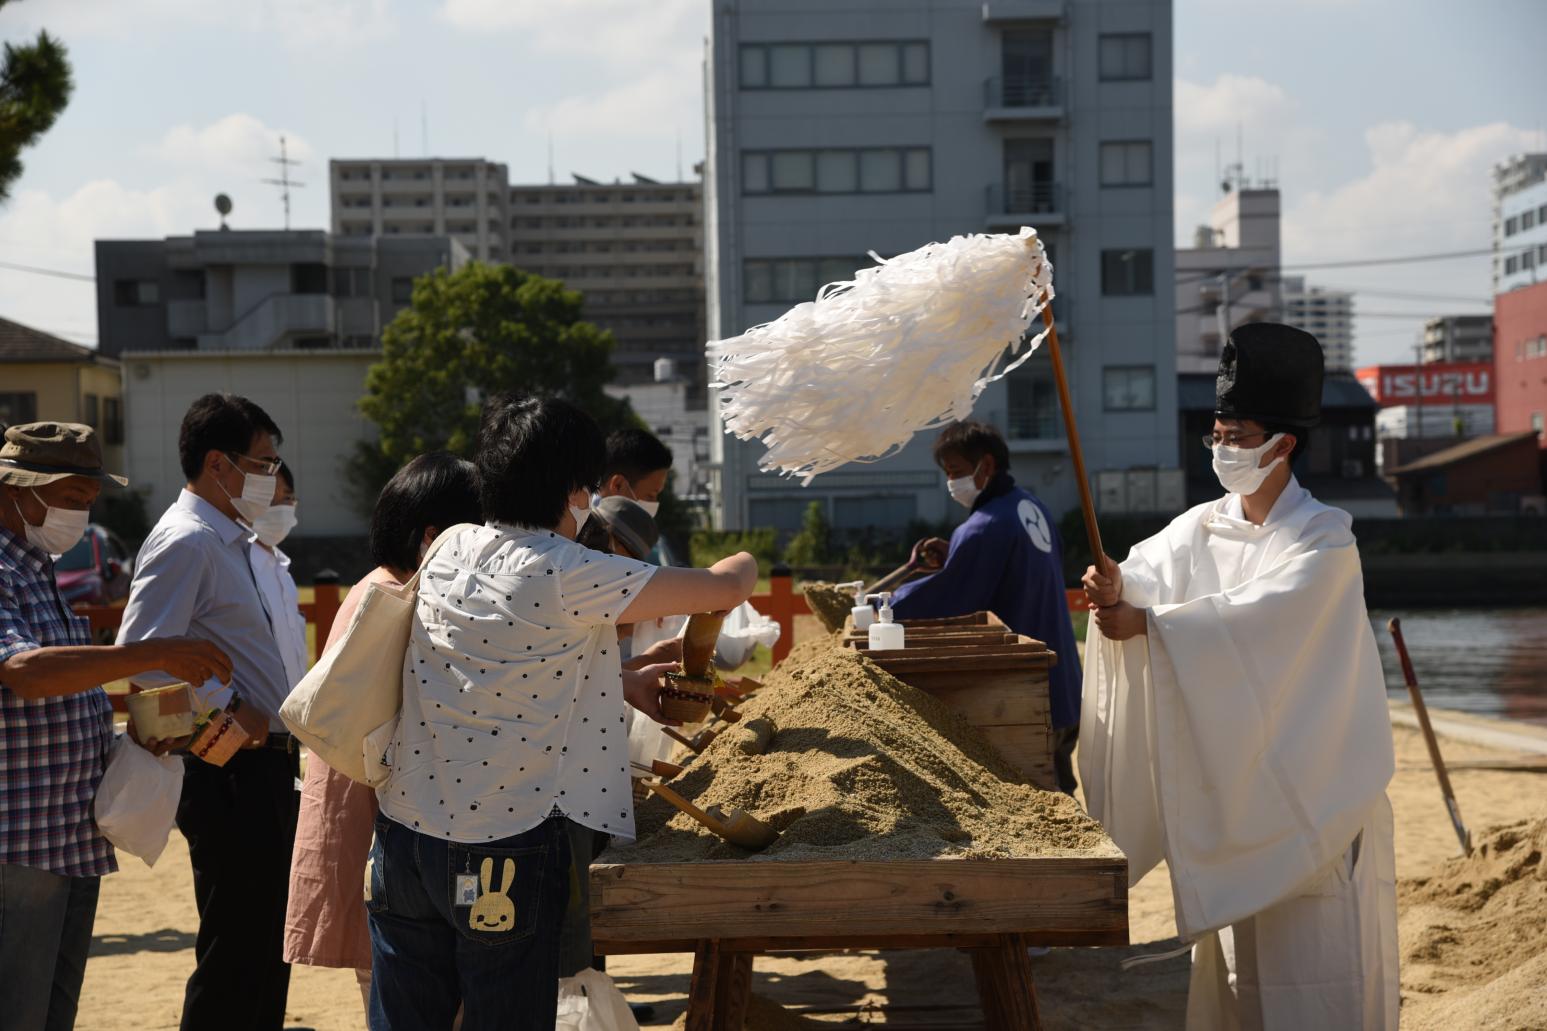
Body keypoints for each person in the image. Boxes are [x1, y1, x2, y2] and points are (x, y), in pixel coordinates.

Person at [367, 394, 757, 1031]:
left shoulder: (452, 545)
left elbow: (504, 668)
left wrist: (619, 679)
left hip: (404, 838)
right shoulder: (569, 569)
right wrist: (744, 563)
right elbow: (726, 586)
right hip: (500, 843)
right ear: (576, 490)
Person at [1079, 323, 1398, 1029]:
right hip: (1235, 798)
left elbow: (1262, 624)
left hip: (1314, 793)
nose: (1223, 447)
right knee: (1238, 976)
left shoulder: (1323, 540)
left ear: (1282, 442)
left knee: (1321, 976)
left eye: (1238, 433)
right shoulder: (1200, 526)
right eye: (1216, 434)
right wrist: (1114, 586)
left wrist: (1151, 626)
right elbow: (1145, 576)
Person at [0, 422, 232, 1031]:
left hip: (66, 834)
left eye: (87, 503)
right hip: (19, 842)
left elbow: (54, 696)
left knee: (52, 1012)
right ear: (19, 490)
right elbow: (23, 672)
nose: (80, 515)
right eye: (71, 500)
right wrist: (150, 655)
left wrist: (130, 739)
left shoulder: (36, 569)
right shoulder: (3, 570)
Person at [117, 393, 298, 1031]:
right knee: (236, 954)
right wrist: (225, 724)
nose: (274, 478)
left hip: (265, 769)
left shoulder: (234, 542)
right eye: (264, 462)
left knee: (267, 950)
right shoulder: (186, 540)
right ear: (218, 464)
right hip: (230, 775)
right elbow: (141, 664)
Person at [284, 452, 482, 1016]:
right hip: (378, 832)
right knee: (405, 998)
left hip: (379, 828)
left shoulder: (387, 587)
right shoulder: (395, 599)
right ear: (433, 536)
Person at [878, 420, 1083, 793]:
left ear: (985, 466)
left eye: (955, 472)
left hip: (1031, 690)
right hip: (1065, 682)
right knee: (1062, 795)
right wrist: (958, 555)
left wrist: (886, 604)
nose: (951, 483)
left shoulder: (984, 526)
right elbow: (1006, 575)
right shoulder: (1031, 506)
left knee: (1044, 812)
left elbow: (952, 596)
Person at [248, 462, 306, 695]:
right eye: (270, 499)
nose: (281, 507)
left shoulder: (282, 569)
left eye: (288, 497)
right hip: (253, 719)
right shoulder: (240, 565)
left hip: (290, 719)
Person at [597, 428, 672, 516]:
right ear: (618, 485)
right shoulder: (582, 526)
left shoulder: (617, 526)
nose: (654, 503)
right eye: (650, 495)